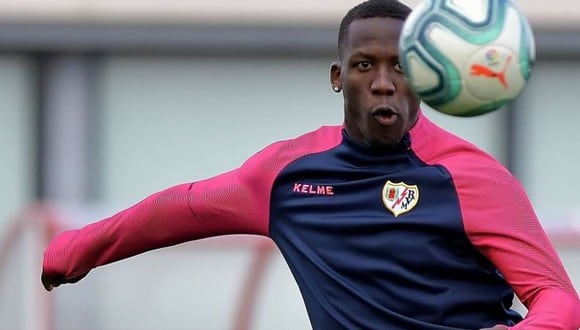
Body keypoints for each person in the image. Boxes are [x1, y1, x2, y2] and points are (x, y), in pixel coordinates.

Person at [41, 0, 580, 329]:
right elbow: (180, 209)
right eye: (365, 65)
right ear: (337, 77)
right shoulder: (286, 175)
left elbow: (558, 301)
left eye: (401, 66)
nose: (384, 81)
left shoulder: (472, 178)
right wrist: (77, 247)